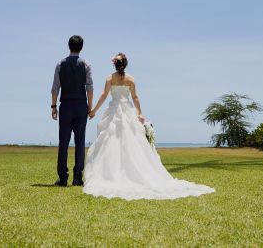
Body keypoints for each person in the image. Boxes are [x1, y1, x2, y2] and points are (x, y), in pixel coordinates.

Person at [83, 52, 215, 200]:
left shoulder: (109, 78)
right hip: (127, 110)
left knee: (111, 139)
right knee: (131, 141)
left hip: (114, 111)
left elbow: (104, 95)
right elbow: (135, 97)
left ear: (114, 64)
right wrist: (139, 113)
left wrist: (93, 110)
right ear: (125, 64)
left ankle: (111, 174)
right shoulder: (130, 79)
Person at [50, 35, 93, 186]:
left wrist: (54, 106)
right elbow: (89, 87)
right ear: (81, 47)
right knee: (80, 142)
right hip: (81, 105)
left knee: (63, 142)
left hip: (66, 106)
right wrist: (90, 105)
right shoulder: (86, 64)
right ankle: (77, 178)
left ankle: (62, 178)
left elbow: (55, 87)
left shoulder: (60, 64)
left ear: (69, 46)